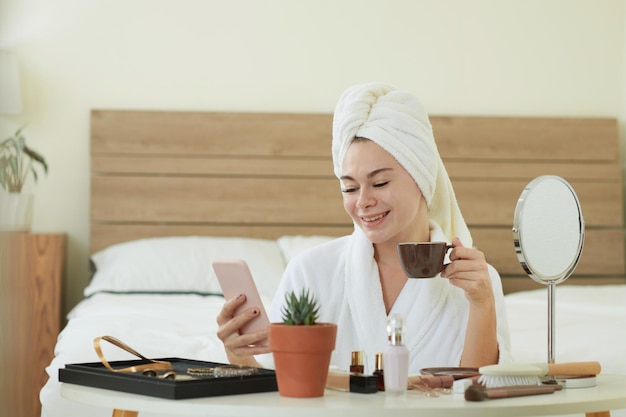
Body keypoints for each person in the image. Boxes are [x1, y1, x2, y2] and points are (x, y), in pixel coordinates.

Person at [216, 82, 512, 374]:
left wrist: (482, 304)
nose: (363, 202)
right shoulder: (310, 271)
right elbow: (277, 386)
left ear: (422, 178)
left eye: (380, 183)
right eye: (349, 188)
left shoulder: (477, 281)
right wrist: (238, 354)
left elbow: (481, 393)